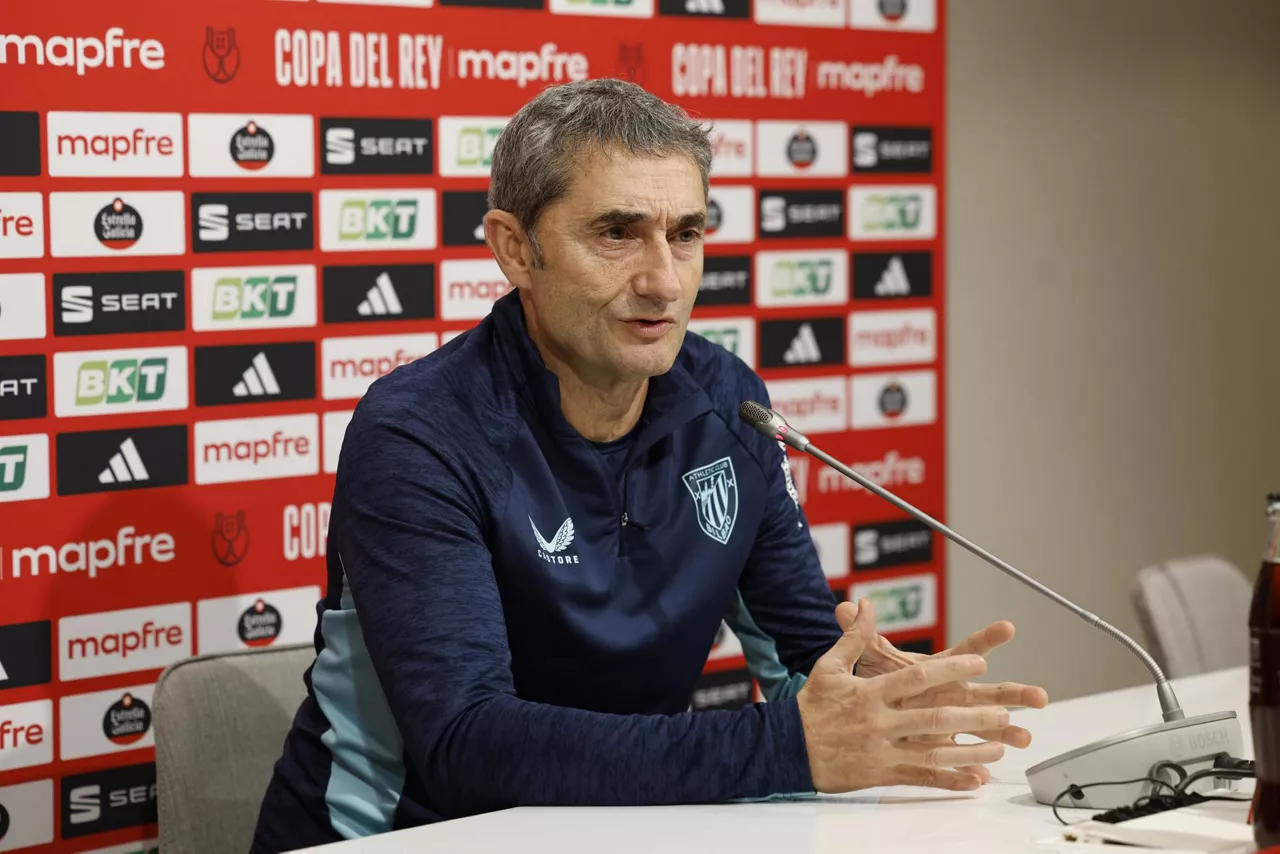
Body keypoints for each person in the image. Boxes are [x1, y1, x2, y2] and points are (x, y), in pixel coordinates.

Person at [250, 78, 1048, 852]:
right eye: (617, 233)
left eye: (687, 234)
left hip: (634, 826)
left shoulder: (728, 403)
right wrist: (784, 746)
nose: (663, 280)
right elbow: (468, 746)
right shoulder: (420, 431)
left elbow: (804, 653)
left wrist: (886, 695)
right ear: (514, 249)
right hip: (406, 837)